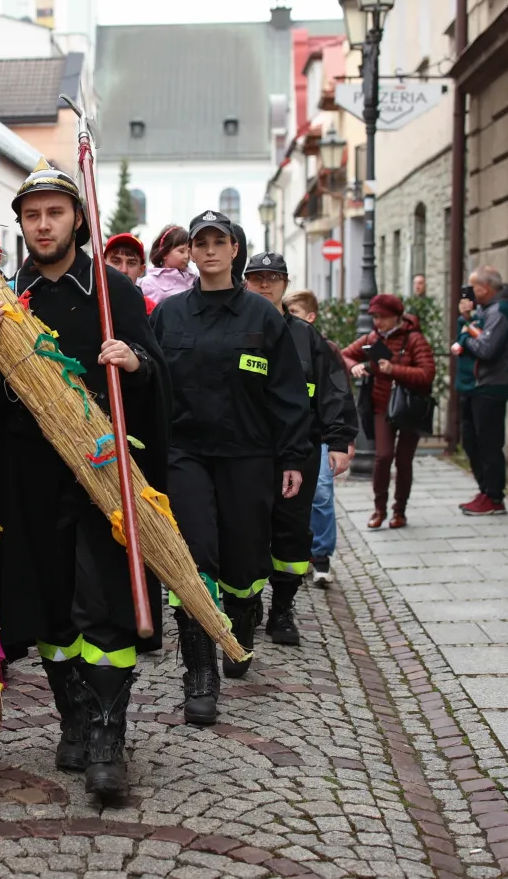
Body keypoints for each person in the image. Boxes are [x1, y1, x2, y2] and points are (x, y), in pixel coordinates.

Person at [0, 163, 172, 802]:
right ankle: (74, 719)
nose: (44, 225)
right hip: (29, 470)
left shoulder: (114, 291)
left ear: (77, 219)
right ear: (21, 224)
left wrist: (134, 364)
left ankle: (110, 734)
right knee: (49, 601)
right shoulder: (1, 297)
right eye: (32, 215)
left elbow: (158, 380)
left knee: (105, 597)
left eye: (55, 212)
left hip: (102, 468)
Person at [151, 217, 309, 722]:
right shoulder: (170, 315)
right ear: (191, 253)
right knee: (194, 561)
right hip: (186, 457)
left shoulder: (264, 319)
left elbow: (287, 394)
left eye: (221, 242)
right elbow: (149, 385)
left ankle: (243, 618)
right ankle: (199, 675)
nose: (211, 250)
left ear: (235, 249)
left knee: (244, 561)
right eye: (202, 243)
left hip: (248, 456)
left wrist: (292, 457)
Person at [242, 256, 357, 644]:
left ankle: (282, 610)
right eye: (257, 278)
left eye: (273, 278)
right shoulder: (237, 327)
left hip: (300, 449)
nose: (264, 284)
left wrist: (339, 441)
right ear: (245, 282)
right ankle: (249, 601)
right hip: (247, 450)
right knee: (249, 531)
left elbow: (333, 389)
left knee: (292, 533)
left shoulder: (307, 337)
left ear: (285, 284)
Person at [342, 293, 436, 529]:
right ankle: (379, 509)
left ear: (397, 317)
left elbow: (427, 374)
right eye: (374, 317)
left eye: (382, 317)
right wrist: (355, 367)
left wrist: (394, 369)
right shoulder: (373, 338)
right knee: (383, 457)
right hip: (381, 406)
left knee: (404, 461)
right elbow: (343, 354)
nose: (378, 322)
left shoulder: (414, 339)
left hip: (409, 408)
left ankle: (399, 511)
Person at [284, 291, 354, 587]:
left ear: (310, 317)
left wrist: (342, 441)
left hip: (319, 435)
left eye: (295, 312)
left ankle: (321, 556)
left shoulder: (325, 348)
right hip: (289, 437)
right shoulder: (278, 343)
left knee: (322, 494)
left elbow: (339, 393)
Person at [452, 266, 508, 516]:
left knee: (488, 442)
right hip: (474, 385)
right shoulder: (484, 311)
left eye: (474, 287)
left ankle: (494, 496)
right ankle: (485, 490)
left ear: (486, 288)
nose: (470, 292)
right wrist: (469, 322)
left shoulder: (502, 311)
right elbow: (475, 335)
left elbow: (486, 348)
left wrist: (465, 338)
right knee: (471, 441)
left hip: (490, 385)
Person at [138, 224, 195, 306]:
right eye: (181, 251)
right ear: (164, 253)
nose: (186, 256)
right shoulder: (150, 283)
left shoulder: (195, 278)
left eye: (189, 251)